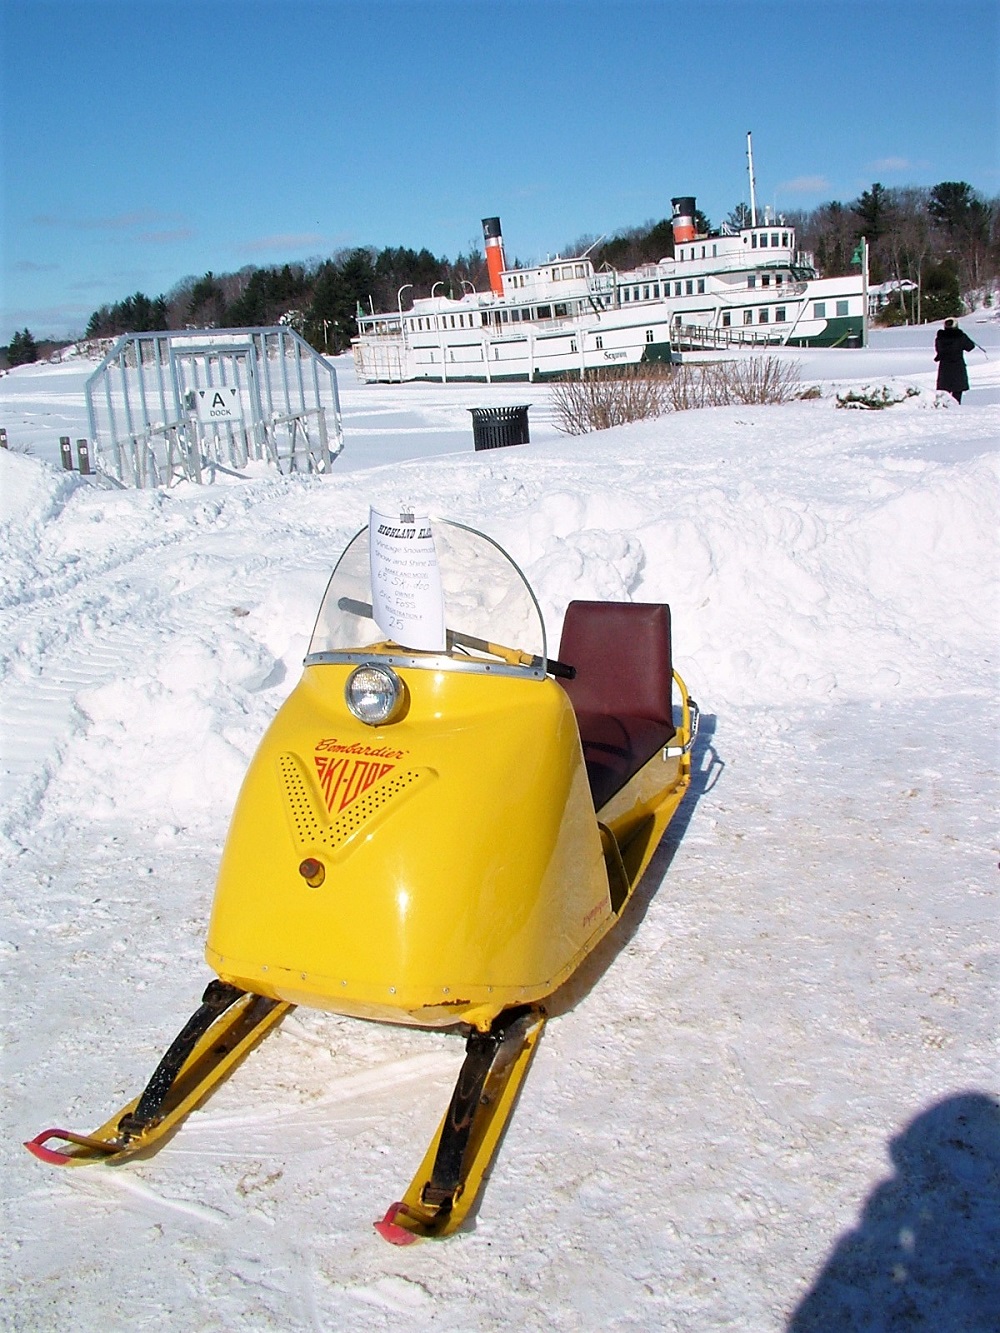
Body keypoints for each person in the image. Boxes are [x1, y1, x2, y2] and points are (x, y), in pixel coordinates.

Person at [934, 318, 976, 402]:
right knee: (957, 391)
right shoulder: (960, 337)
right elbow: (970, 347)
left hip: (944, 367)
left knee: (944, 392)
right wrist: (962, 335)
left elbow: (938, 350)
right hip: (958, 366)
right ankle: (956, 408)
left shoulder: (940, 337)